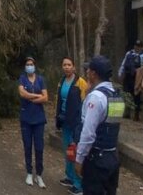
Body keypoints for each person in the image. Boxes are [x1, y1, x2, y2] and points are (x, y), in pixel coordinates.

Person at [75, 55, 124, 194]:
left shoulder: (96, 97)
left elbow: (88, 132)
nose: (87, 72)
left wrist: (79, 158)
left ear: (94, 73)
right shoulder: (116, 95)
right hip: (112, 157)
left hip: (96, 159)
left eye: (88, 70)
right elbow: (112, 126)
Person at [55, 57, 88, 194]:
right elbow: (58, 100)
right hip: (64, 121)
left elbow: (85, 103)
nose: (67, 67)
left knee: (74, 152)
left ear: (74, 67)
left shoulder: (80, 83)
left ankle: (78, 183)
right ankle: (69, 176)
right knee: (67, 151)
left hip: (75, 123)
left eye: (69, 65)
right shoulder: (62, 81)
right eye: (64, 65)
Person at [18, 57, 48, 188]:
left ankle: (39, 175)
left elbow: (46, 97)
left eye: (31, 64)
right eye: (27, 64)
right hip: (26, 119)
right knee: (27, 146)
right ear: (25, 67)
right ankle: (29, 172)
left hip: (39, 120)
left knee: (39, 147)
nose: (29, 66)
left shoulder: (41, 79)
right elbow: (22, 93)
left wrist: (32, 97)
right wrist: (37, 96)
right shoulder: (22, 78)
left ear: (35, 66)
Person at [118, 39, 143, 121]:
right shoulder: (129, 53)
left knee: (136, 95)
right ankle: (127, 112)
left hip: (137, 77)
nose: (137, 48)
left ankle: (136, 114)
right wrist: (120, 73)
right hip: (128, 76)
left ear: (141, 47)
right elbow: (123, 63)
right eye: (136, 46)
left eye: (139, 46)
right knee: (126, 93)